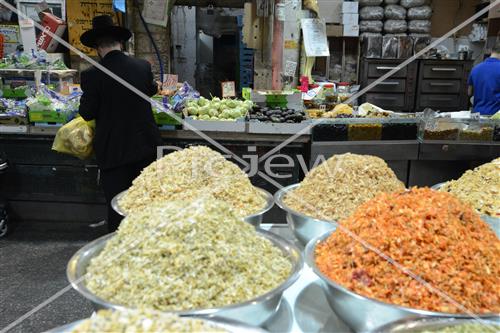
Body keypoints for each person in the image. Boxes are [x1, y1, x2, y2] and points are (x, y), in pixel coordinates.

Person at [79, 15, 162, 232]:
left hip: (113, 150)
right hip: (144, 146)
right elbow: (150, 89)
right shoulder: (142, 66)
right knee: (145, 201)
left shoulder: (91, 75)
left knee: (118, 205)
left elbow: (86, 113)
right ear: (121, 43)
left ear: (97, 47)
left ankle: (119, 249)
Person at [467, 42, 500, 116]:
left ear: (491, 52)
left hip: (478, 114)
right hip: (497, 115)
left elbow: (469, 92)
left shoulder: (476, 68)